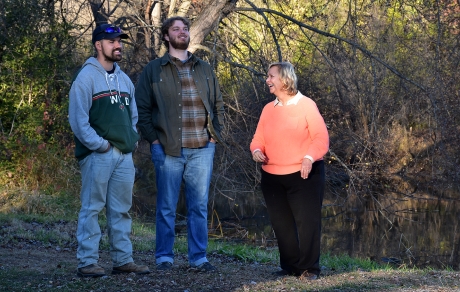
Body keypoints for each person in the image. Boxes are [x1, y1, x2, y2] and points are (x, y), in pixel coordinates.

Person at [135, 16, 224, 272]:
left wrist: (215, 134)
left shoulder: (205, 68)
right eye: (176, 29)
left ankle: (198, 258)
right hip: (168, 148)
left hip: (202, 148)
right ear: (166, 36)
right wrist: (153, 139)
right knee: (166, 206)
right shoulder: (154, 69)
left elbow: (218, 103)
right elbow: (142, 108)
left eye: (185, 29)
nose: (182, 32)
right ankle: (164, 256)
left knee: (198, 205)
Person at [68, 23, 150, 277]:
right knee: (92, 208)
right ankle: (87, 262)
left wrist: (132, 139)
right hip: (98, 154)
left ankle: (123, 260)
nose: (119, 45)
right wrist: (100, 145)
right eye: (112, 41)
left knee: (121, 210)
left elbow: (133, 115)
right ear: (98, 45)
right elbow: (78, 121)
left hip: (124, 155)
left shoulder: (124, 79)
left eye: (120, 41)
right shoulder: (86, 78)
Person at [250, 62, 329, 280]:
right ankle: (290, 267)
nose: (267, 80)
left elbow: (321, 139)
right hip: (272, 177)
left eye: (271, 76)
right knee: (281, 224)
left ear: (284, 79)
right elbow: (258, 139)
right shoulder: (268, 109)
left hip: (304, 175)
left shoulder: (306, 105)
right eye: (268, 76)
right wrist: (256, 149)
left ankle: (310, 269)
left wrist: (308, 157)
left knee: (307, 223)